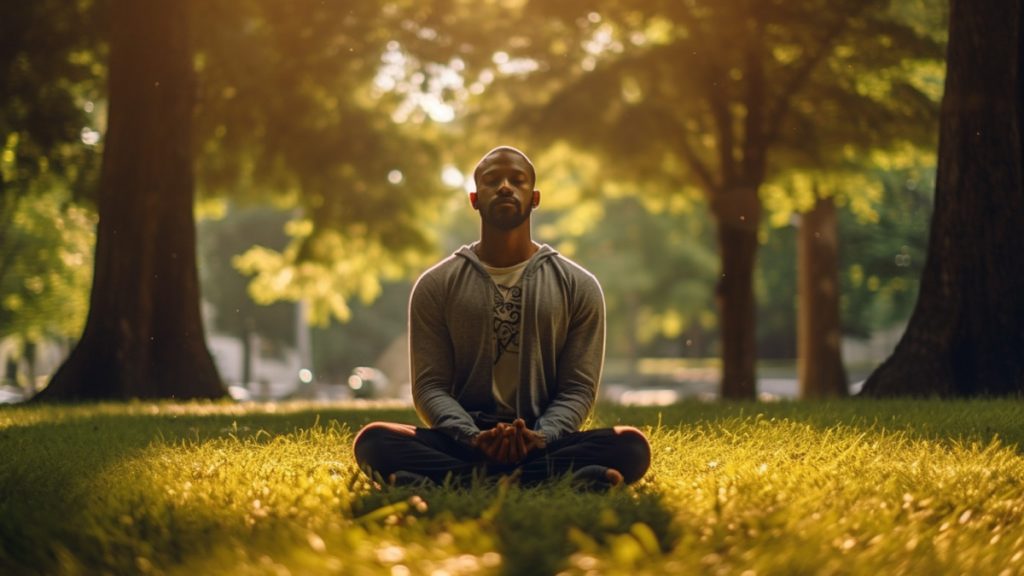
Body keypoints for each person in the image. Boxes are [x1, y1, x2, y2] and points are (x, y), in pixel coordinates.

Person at [352, 146, 651, 489]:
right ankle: (557, 481)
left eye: (517, 180)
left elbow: (577, 389)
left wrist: (541, 437)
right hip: (463, 444)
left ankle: (451, 481)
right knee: (374, 441)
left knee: (630, 445)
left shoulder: (578, 286)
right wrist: (473, 437)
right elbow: (429, 387)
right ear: (475, 199)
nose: (505, 187)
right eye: (493, 180)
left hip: (543, 444)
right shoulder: (435, 285)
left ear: (534, 197)